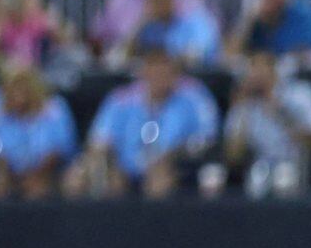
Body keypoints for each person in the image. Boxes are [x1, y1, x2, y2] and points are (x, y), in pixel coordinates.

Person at [71, 45, 221, 197]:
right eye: (154, 69)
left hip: (174, 165)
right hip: (125, 166)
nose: (159, 75)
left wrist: (172, 158)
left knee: (159, 182)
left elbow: (206, 139)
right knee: (82, 179)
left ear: (175, 72)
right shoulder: (122, 99)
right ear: (144, 72)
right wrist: (109, 165)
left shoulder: (194, 96)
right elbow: (99, 140)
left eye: (165, 70)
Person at [223, 50, 311, 185]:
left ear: (273, 69)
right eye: (251, 69)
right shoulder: (243, 104)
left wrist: (280, 113)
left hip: (299, 171)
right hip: (259, 174)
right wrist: (242, 110)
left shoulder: (302, 94)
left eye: (260, 68)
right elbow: (233, 157)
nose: (255, 75)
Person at [0, 64, 78, 198]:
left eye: (22, 86)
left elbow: (60, 149)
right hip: (14, 175)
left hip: (52, 173)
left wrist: (36, 175)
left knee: (41, 186)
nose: (18, 92)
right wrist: (8, 173)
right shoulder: (3, 116)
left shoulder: (54, 108)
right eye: (13, 87)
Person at [126, 0, 223, 65]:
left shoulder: (196, 20)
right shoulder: (149, 27)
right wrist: (142, 23)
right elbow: (122, 56)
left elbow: (195, 56)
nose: (157, 2)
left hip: (197, 77)